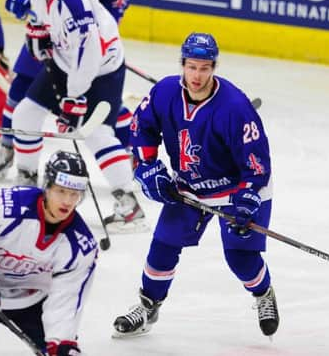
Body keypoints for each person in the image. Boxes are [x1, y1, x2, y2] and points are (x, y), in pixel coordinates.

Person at [112, 32, 280, 338]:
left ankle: (263, 294)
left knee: (240, 257)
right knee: (163, 246)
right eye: (191, 67)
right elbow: (141, 128)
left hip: (235, 189)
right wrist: (148, 167)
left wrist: (247, 201)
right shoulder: (164, 93)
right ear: (182, 65)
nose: (197, 75)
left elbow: (256, 164)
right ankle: (148, 308)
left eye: (204, 68)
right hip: (190, 186)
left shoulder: (235, 107)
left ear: (214, 67)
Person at [0, 0, 143, 230]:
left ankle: (129, 204)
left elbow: (90, 55)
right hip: (66, 62)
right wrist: (38, 38)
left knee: (95, 133)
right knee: (25, 114)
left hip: (101, 71)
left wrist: (73, 99)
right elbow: (42, 27)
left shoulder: (74, 1)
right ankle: (28, 182)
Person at [0, 150, 97, 356]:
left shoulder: (81, 246)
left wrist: (60, 341)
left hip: (31, 303)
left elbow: (66, 299)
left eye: (74, 194)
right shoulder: (8, 207)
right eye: (61, 191)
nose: (67, 201)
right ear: (47, 187)